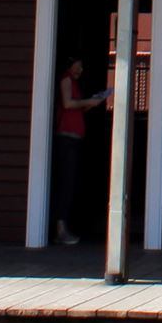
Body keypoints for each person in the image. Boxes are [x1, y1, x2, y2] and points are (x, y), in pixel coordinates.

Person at [51, 56, 111, 246]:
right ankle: (60, 230)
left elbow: (75, 109)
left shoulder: (74, 82)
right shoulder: (66, 79)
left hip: (74, 138)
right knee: (66, 183)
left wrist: (91, 102)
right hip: (67, 138)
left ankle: (65, 227)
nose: (81, 70)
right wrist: (88, 101)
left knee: (72, 183)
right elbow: (68, 104)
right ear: (70, 65)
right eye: (78, 66)